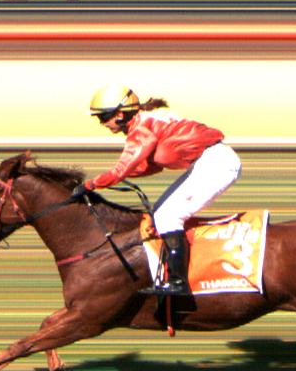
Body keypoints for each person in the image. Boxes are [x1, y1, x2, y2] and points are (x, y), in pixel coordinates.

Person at [84, 89, 234, 298]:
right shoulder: (145, 120)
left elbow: (121, 170)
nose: (103, 124)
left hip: (216, 164)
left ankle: (179, 282)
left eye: (103, 117)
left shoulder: (141, 130)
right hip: (208, 162)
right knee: (159, 213)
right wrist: (110, 179)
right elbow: (149, 167)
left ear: (119, 114)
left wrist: (90, 185)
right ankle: (170, 274)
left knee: (168, 217)